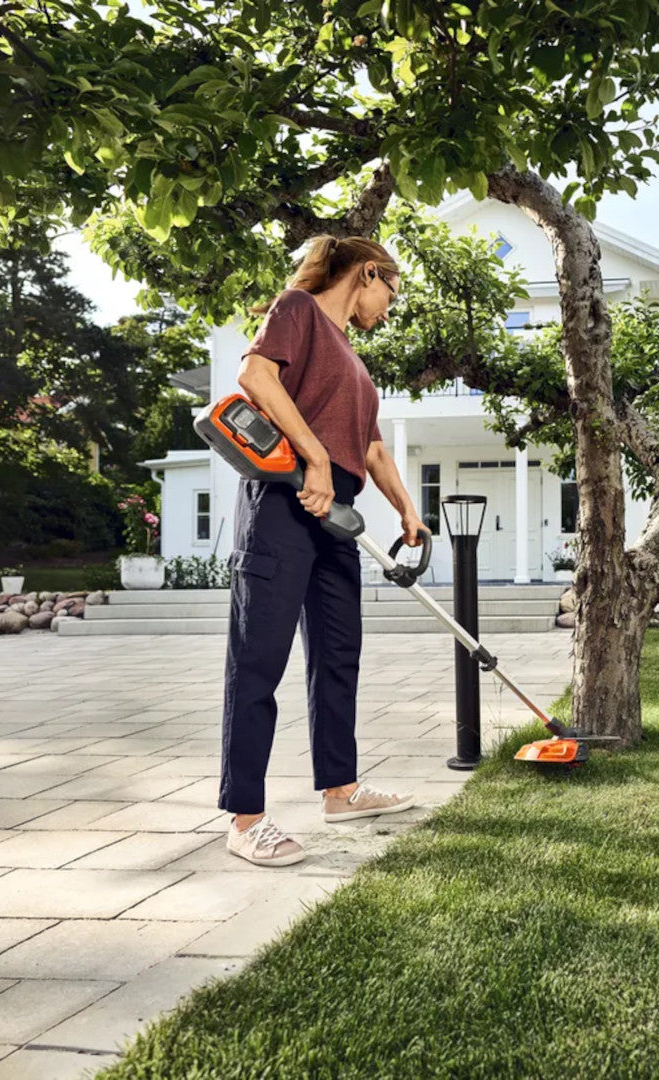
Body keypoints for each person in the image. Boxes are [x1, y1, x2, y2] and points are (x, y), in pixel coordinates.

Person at [220, 235, 426, 867]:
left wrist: (406, 508)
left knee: (338, 654)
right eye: (391, 292)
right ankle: (244, 816)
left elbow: (369, 448)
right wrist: (312, 457)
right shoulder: (298, 310)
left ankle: (341, 789)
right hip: (284, 501)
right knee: (259, 658)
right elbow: (254, 375)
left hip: (336, 516)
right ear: (369, 273)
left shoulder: (354, 361)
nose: (390, 309)